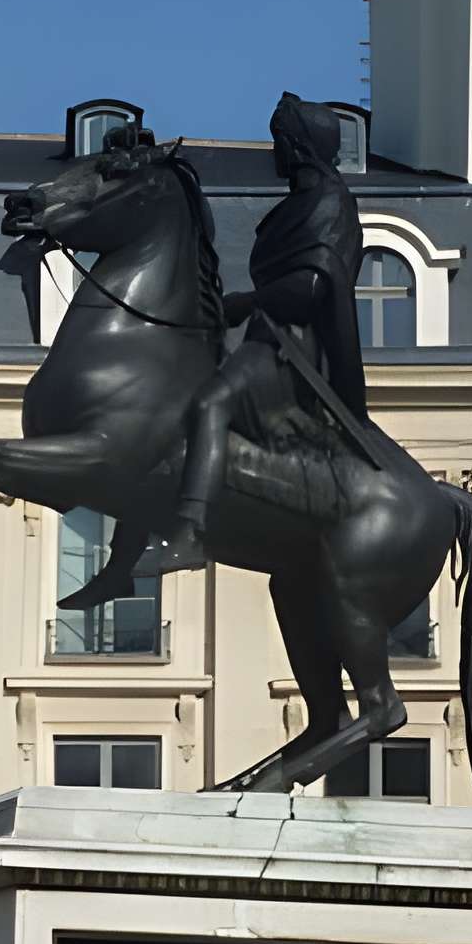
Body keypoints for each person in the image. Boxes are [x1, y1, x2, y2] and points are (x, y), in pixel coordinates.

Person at [128, 93, 369, 580]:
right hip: (266, 337)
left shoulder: (329, 202)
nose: (273, 150)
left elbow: (313, 287)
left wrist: (246, 303)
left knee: (210, 403)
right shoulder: (299, 204)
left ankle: (190, 534)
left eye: (279, 140)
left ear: (298, 146)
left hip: (293, 350)